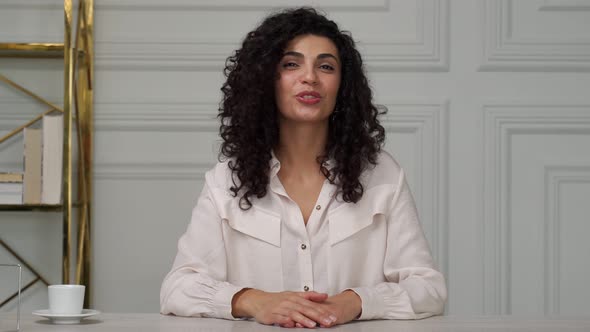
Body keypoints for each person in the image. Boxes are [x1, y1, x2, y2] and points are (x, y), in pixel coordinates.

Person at [160, 7, 446, 328]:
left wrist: (353, 302)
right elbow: (177, 288)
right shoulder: (226, 179)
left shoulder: (382, 176)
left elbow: (429, 289)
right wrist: (254, 300)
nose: (309, 77)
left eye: (325, 66)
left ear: (343, 86)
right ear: (266, 79)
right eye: (291, 64)